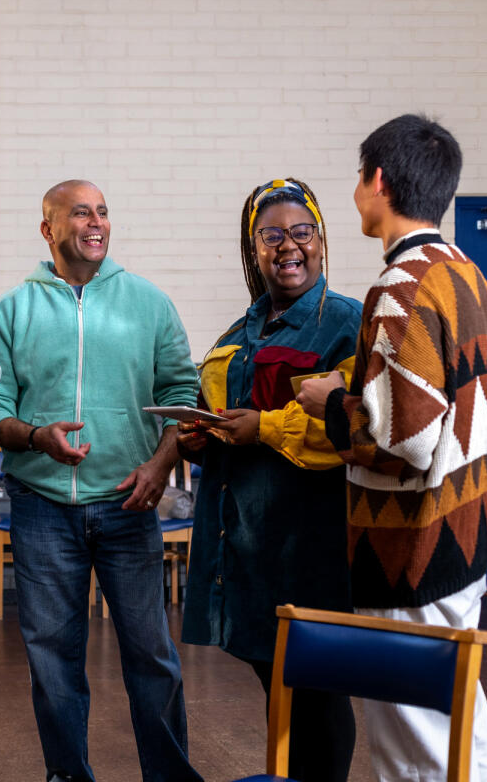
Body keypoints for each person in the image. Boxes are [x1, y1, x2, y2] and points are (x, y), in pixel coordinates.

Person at [298, 114, 487, 781]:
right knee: (458, 722)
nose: (355, 193)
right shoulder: (468, 275)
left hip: (410, 549)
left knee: (411, 746)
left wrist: (329, 401)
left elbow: (404, 444)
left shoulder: (400, 288)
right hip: (467, 535)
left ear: (379, 181)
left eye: (358, 177)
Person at [0, 180, 202, 782]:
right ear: (48, 229)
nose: (95, 222)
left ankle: (170, 776)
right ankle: (68, 776)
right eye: (80, 212)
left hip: (129, 502)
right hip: (43, 507)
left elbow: (183, 395)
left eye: (102, 211)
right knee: (53, 662)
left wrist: (159, 466)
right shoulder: (12, 311)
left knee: (152, 657)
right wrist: (32, 435)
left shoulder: (148, 303)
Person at [177, 178, 361, 782]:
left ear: (322, 239)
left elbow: (353, 430)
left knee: (317, 696)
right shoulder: (236, 336)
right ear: (252, 248)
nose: (289, 246)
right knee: (279, 690)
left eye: (301, 232)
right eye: (272, 235)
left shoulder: (348, 326)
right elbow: (230, 429)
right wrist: (203, 437)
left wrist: (265, 428)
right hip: (244, 549)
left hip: (308, 550)